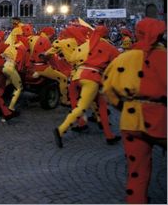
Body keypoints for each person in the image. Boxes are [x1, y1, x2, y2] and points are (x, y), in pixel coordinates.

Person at [102, 17, 166, 204]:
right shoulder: (165, 58)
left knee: (136, 170)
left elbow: (108, 89)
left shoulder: (126, 57)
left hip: (130, 120)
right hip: (161, 119)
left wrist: (123, 107)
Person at [53, 25, 121, 147]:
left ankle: (108, 135)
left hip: (77, 76)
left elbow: (72, 58)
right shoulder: (107, 46)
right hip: (92, 77)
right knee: (83, 106)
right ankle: (60, 130)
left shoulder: (85, 45)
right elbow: (119, 61)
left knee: (99, 105)